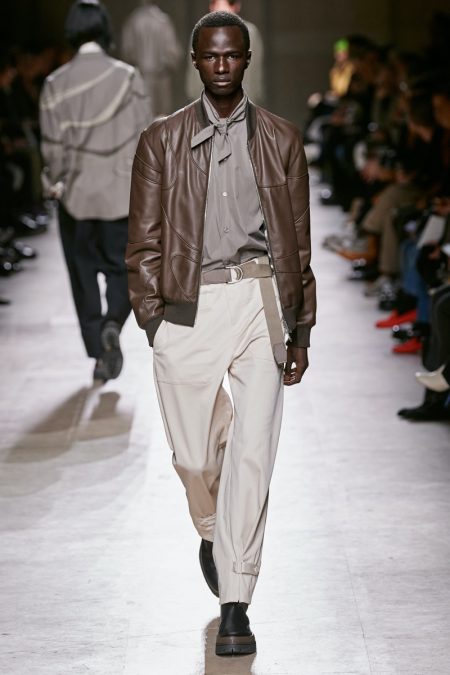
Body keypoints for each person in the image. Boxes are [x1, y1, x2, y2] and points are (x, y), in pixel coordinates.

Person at [126, 11, 316, 656]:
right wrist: (153, 320)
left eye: (232, 55)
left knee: (254, 453)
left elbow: (297, 241)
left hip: (260, 299)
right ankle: (212, 528)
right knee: (194, 458)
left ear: (247, 58)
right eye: (211, 56)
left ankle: (236, 599)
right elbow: (143, 240)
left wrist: (300, 328)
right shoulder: (161, 141)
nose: (222, 65)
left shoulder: (282, 139)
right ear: (195, 61)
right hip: (188, 304)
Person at [39, 0, 149, 383]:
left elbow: (53, 149)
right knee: (124, 270)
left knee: (82, 275)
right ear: (105, 30)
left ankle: (98, 350)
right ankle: (113, 323)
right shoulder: (129, 78)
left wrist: (55, 179)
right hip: (121, 194)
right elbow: (144, 136)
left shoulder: (55, 84)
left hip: (77, 196)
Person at [185, 0, 265, 105]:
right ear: (211, 7)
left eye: (226, 5)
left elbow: (254, 69)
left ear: (236, 7)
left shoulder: (250, 32)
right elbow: (194, 72)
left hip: (243, 97)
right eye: (218, 5)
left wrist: (254, 96)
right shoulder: (200, 32)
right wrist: (193, 95)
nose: (222, 10)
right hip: (206, 98)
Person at [121, 0, 182, 116]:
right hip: (161, 79)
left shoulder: (133, 20)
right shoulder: (163, 21)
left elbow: (127, 52)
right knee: (161, 118)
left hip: (140, 78)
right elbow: (173, 53)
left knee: (141, 117)